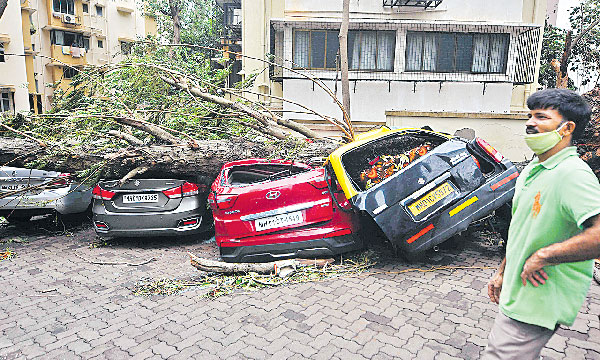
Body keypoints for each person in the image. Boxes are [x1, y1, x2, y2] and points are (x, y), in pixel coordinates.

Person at [482, 88, 600, 360]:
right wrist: (503, 272)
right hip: (519, 291)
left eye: (541, 117)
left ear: (566, 128)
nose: (530, 123)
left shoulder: (572, 174)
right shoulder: (533, 170)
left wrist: (543, 256)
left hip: (540, 296)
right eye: (530, 115)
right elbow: (523, 230)